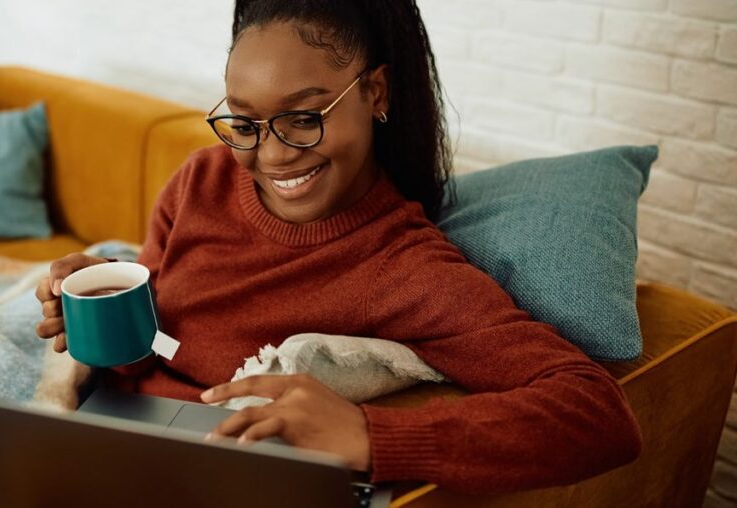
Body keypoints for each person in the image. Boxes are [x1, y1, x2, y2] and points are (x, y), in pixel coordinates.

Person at [35, 0, 641, 494]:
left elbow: (595, 414)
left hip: (231, 479)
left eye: (304, 118)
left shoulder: (400, 266)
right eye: (244, 123)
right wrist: (107, 310)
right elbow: (159, 349)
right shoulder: (201, 181)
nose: (270, 156)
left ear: (375, 94)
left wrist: (373, 437)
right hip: (113, 444)